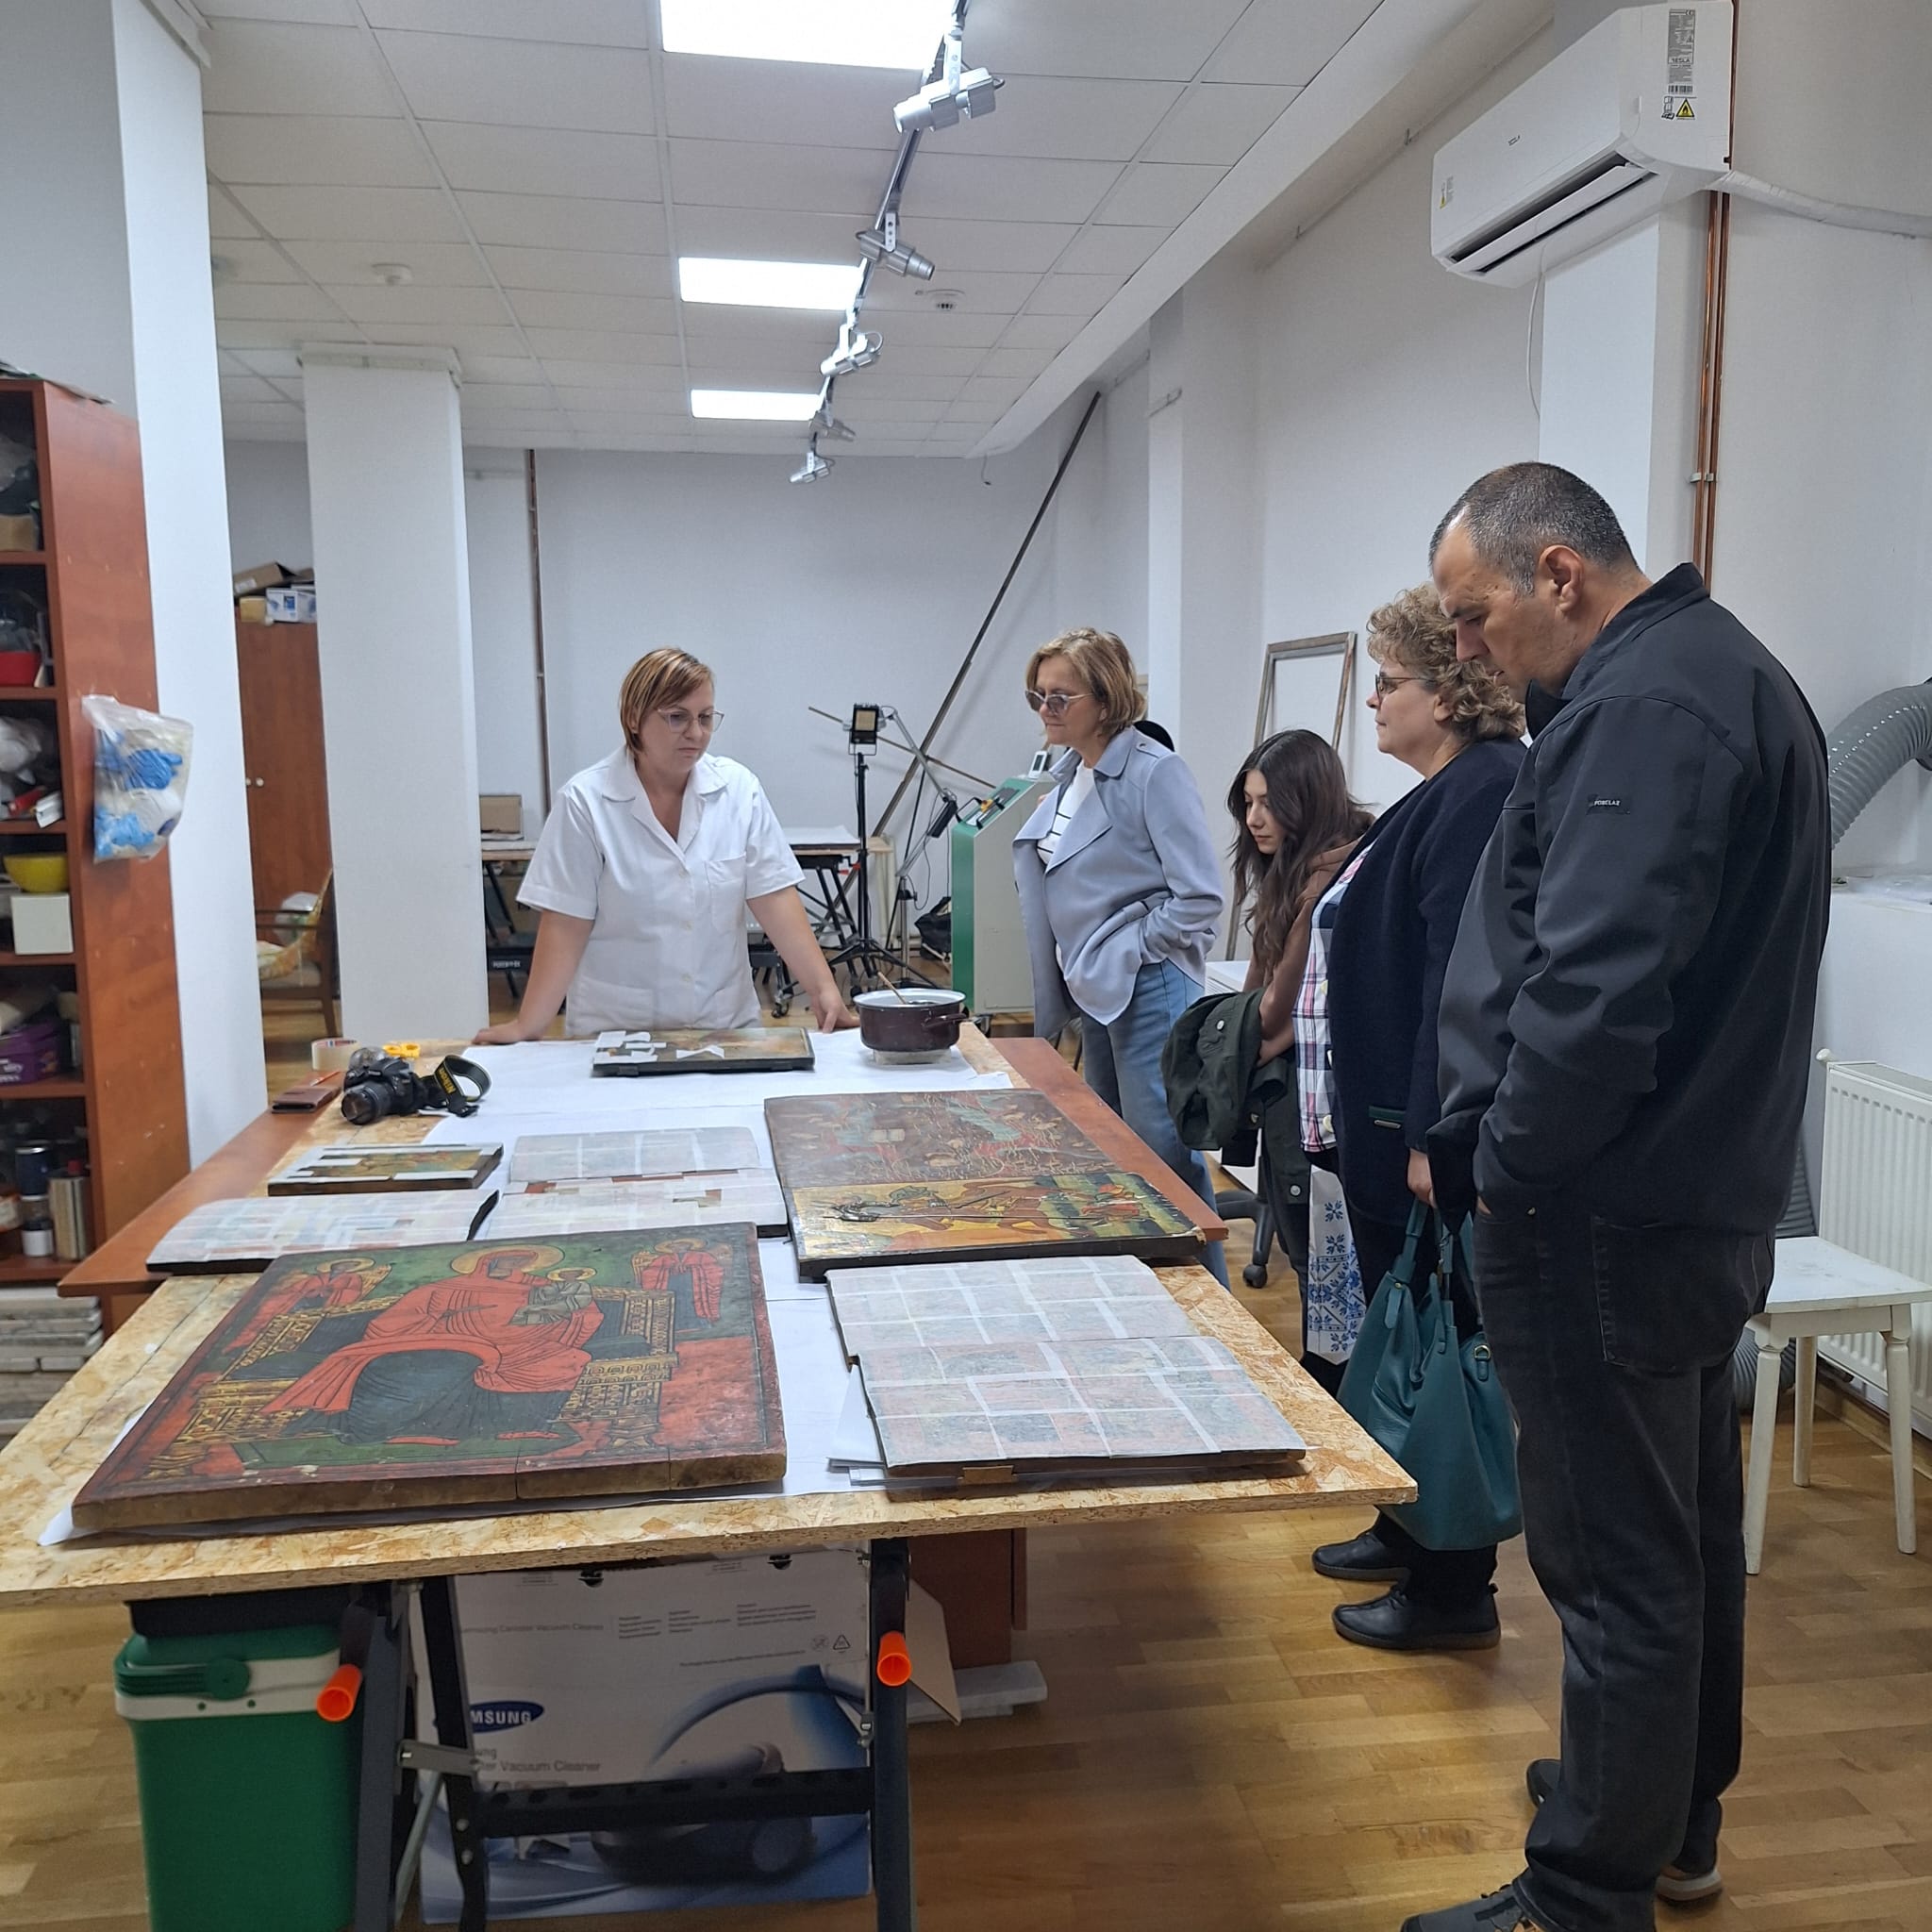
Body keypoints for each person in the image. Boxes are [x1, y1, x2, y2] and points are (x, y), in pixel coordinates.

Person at [1405, 464, 1829, 1932]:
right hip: (1695, 1205)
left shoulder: (1642, 710)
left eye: (1475, 616)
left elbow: (1590, 998)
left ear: (1559, 574)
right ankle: (1668, 1821)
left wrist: (1509, 1174)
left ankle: (1584, 1891)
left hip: (1601, 1215)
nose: (1468, 649)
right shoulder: (1729, 674)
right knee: (1684, 1543)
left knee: (1616, 1569)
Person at [1306, 586, 1525, 1654]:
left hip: (1420, 1129)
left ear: (1447, 692)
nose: (1373, 702)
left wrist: (1439, 1132)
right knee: (1402, 1336)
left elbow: (1457, 975)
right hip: (1389, 1117)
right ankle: (1404, 1526)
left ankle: (1452, 1586)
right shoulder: (1439, 791)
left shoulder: (1481, 789)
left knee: (1440, 1346)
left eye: (1387, 682)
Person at [476, 648, 857, 1043]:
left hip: (724, 1027)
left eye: (705, 718)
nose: (696, 733)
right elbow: (565, 925)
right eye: (677, 717)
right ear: (633, 718)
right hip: (618, 1032)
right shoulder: (585, 802)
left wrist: (823, 990)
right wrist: (528, 1024)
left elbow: (774, 897)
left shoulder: (739, 791)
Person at [1012, 628, 1227, 1282]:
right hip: (1097, 985)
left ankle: (1211, 1311)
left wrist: (1132, 947)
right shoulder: (1070, 772)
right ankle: (1145, 1294)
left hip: (1148, 985)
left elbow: (1200, 898)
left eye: (1060, 697)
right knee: (1115, 1154)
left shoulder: (1153, 773)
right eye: (1038, 696)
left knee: (1164, 1162)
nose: (1046, 709)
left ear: (1105, 699)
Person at [1226, 729, 1373, 1342]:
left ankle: (1336, 1391)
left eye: (1269, 803)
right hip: (1305, 1092)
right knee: (1319, 1265)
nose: (1255, 819)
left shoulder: (1325, 882)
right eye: (1249, 803)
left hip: (1320, 1097)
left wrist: (1237, 1037)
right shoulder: (1296, 870)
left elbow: (1272, 1012)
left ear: (1306, 800)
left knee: (1322, 1264)